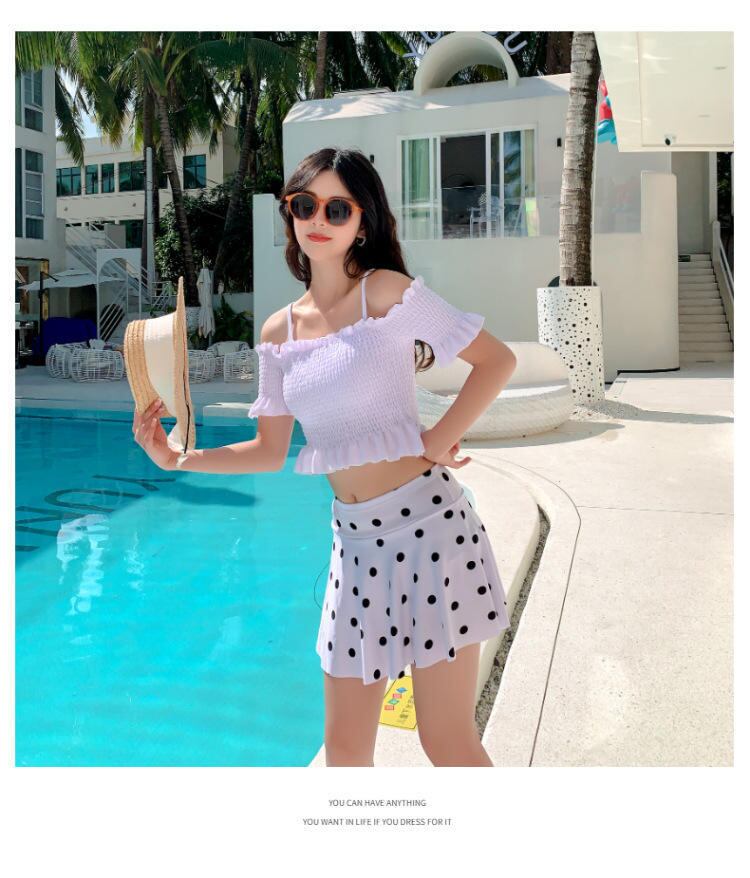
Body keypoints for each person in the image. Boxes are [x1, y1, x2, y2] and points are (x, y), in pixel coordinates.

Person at [132, 147, 518, 767]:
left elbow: (496, 361)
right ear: (289, 212)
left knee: (445, 739)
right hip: (355, 548)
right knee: (344, 753)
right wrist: (179, 458)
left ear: (362, 223)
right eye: (305, 204)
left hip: (430, 532)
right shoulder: (278, 332)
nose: (319, 219)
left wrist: (434, 440)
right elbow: (268, 451)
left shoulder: (385, 292)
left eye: (338, 209)